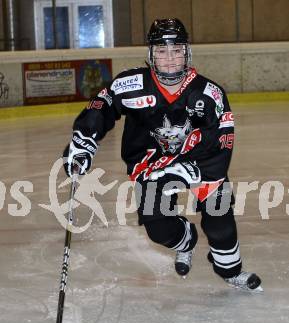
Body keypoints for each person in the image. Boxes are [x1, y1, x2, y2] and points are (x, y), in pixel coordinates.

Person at [63, 18, 262, 292]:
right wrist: (84, 139)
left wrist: (194, 167)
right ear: (151, 54)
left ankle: (230, 270)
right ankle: (186, 240)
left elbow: (222, 138)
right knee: (159, 230)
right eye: (161, 51)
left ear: (187, 52)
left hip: (199, 162)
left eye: (177, 50)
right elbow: (103, 105)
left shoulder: (208, 93)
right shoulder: (131, 84)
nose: (170, 59)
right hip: (150, 164)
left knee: (219, 217)